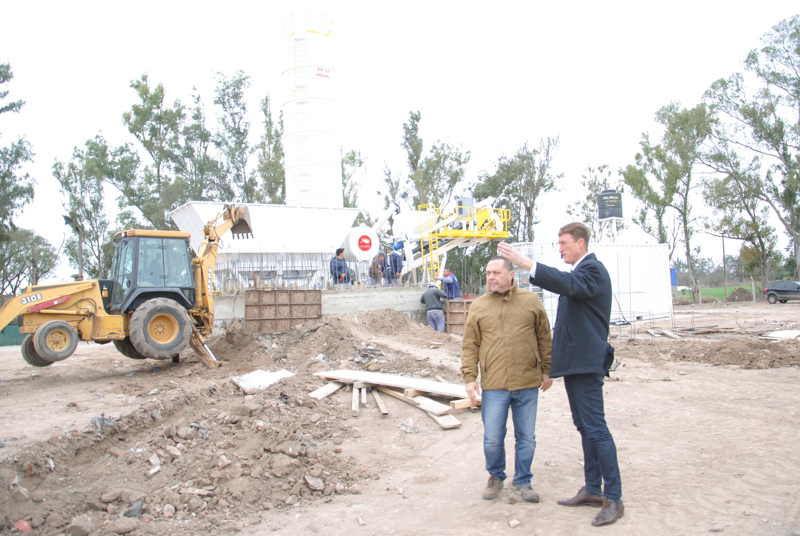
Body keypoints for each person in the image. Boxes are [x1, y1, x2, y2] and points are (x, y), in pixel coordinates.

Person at [498, 222, 624, 527]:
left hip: (586, 363)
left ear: (581, 243)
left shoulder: (592, 270)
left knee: (597, 428)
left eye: (564, 243)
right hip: (575, 364)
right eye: (558, 243)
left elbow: (568, 284)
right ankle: (593, 489)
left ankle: (614, 499)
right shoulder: (582, 272)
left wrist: (527, 263)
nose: (560, 248)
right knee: (585, 427)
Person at [461, 256, 552, 503]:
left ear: (511, 275)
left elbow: (544, 337)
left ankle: (523, 480)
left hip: (527, 382)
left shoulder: (531, 301)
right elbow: (470, 344)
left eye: (496, 272)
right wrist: (470, 377)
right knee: (492, 438)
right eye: (488, 272)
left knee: (527, 437)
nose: (491, 277)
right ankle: (496, 476)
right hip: (494, 385)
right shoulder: (479, 306)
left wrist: (547, 370)